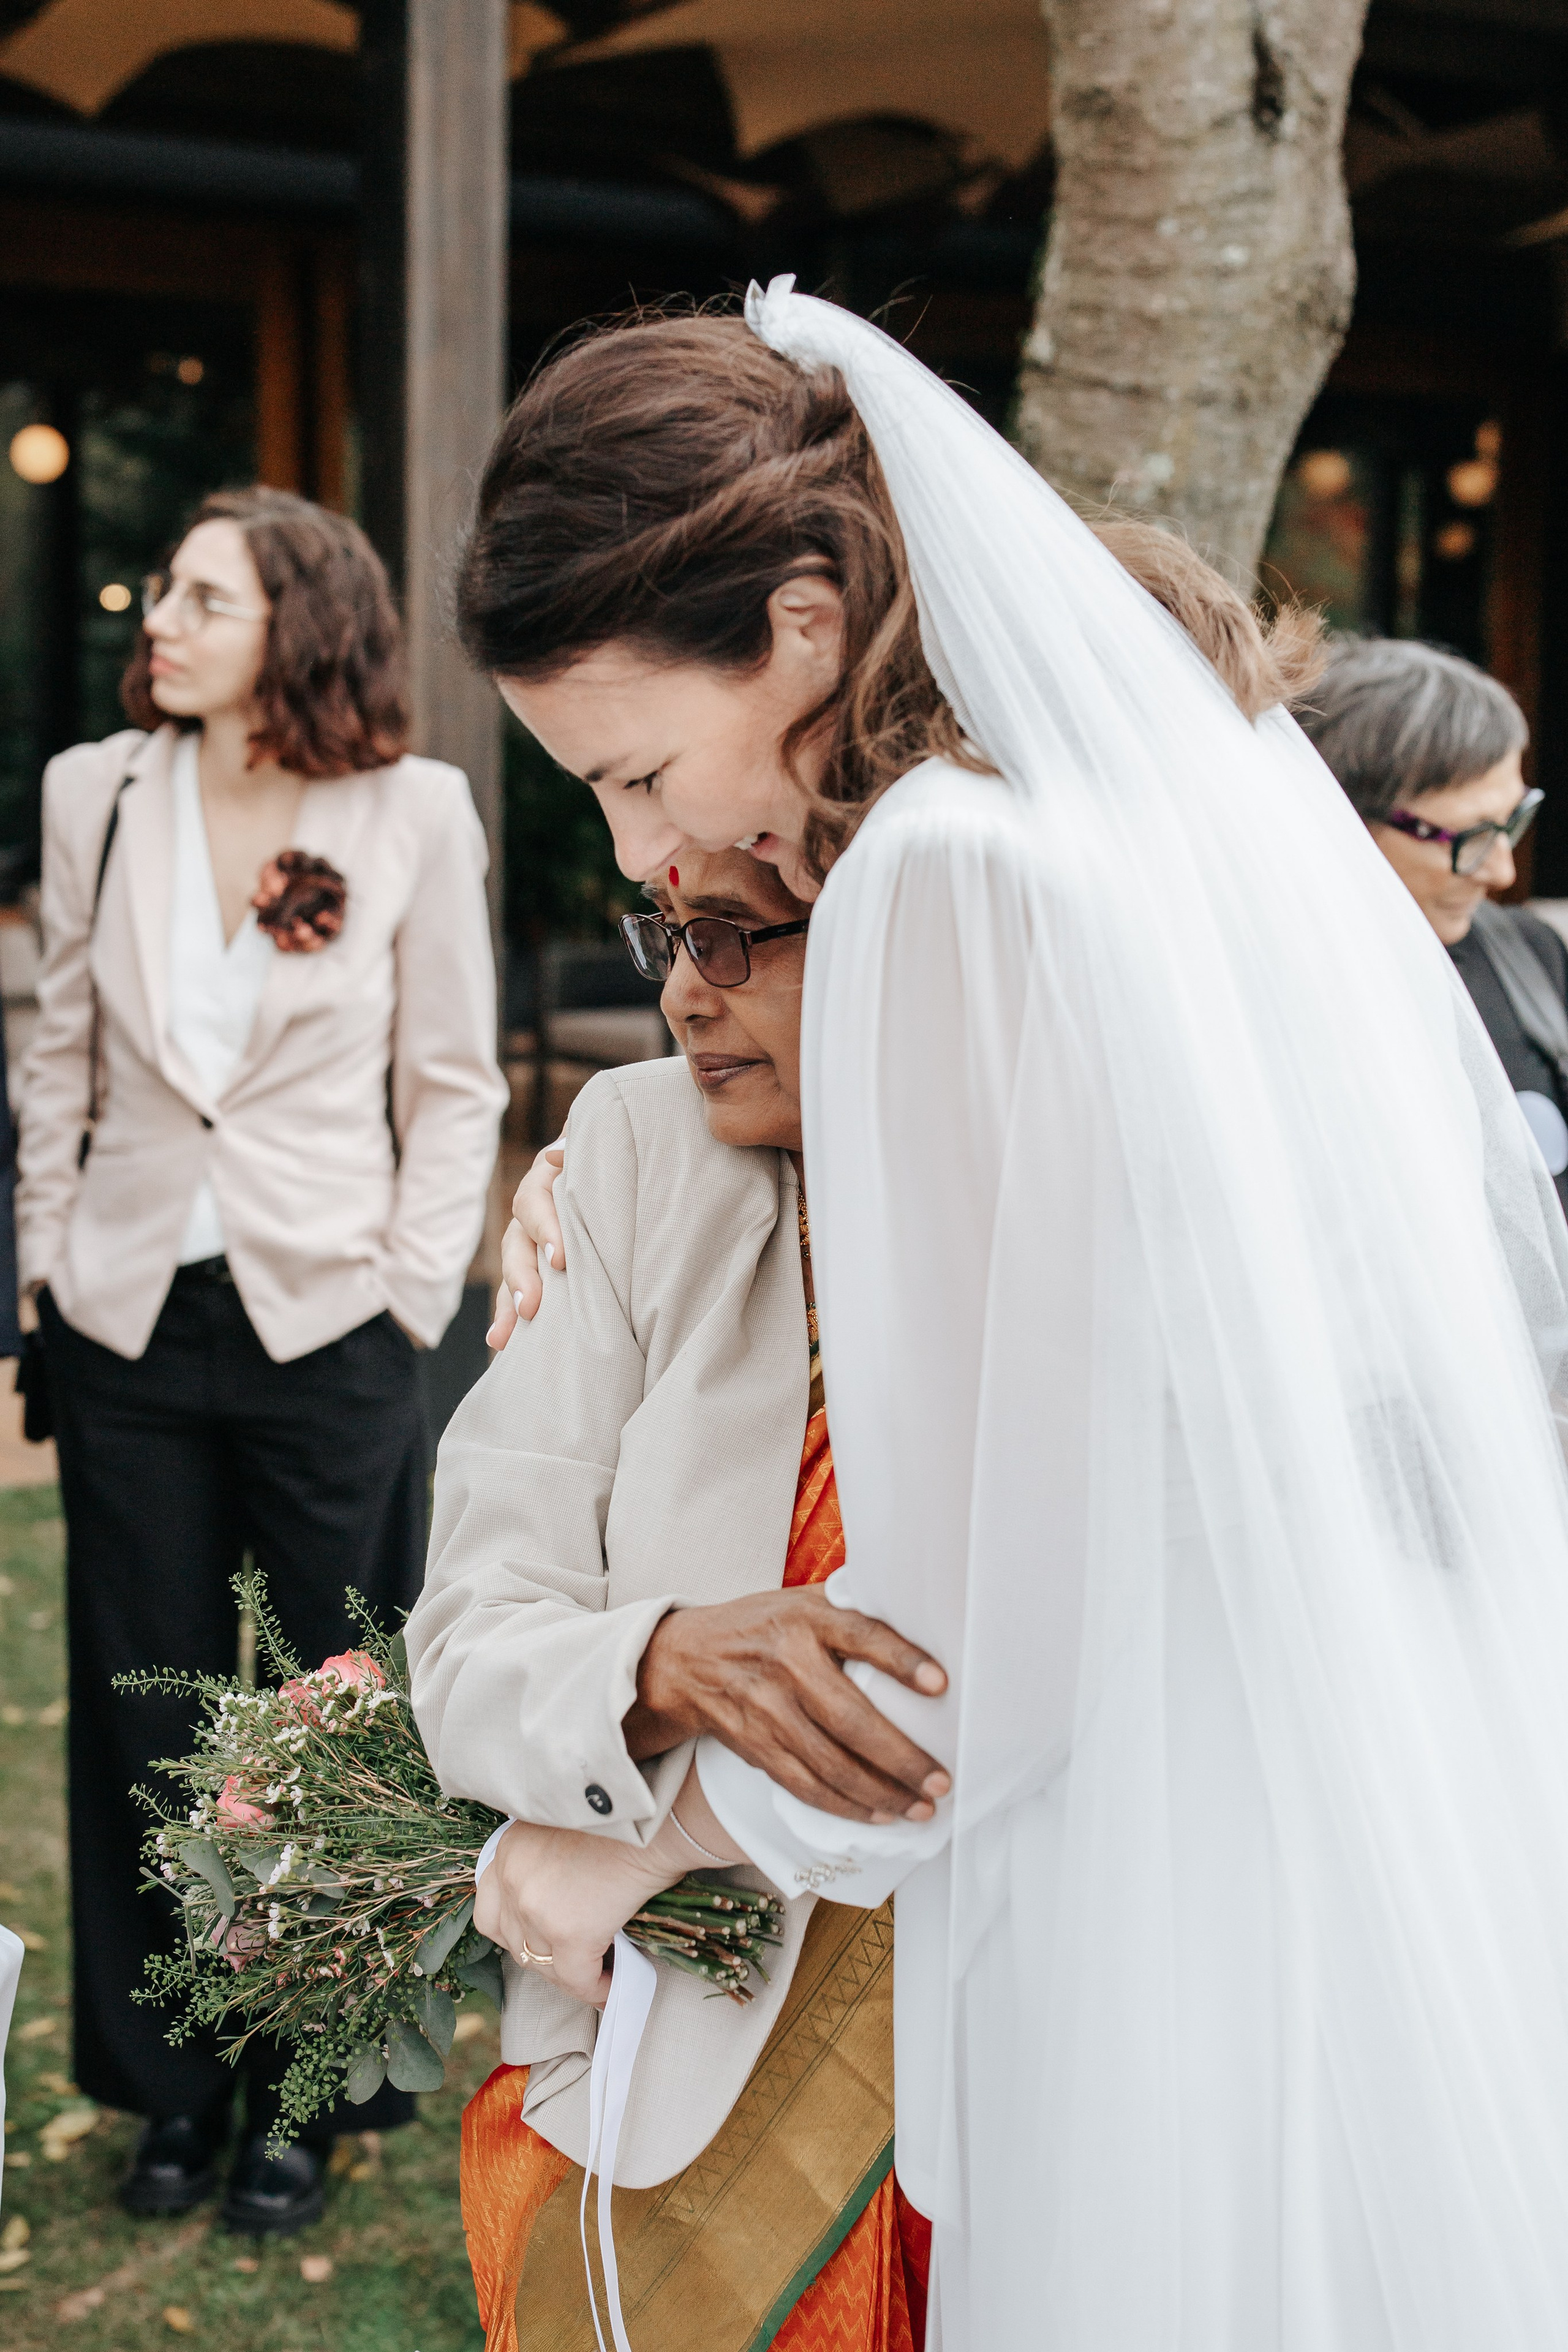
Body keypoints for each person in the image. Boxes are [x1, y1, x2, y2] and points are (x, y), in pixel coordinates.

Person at [450, 284, 1568, 2350]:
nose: (643, 845)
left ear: (801, 626)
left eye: (638, 769)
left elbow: (983, 1648)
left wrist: (648, 1849)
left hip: (1145, 1867)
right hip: (1309, 1801)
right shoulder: (1112, 824)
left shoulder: (944, 875)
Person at [15, 488, 506, 2234]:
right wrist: (47, 1264)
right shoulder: (98, 790)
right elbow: (58, 1051)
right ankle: (169, 2082)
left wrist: (410, 1294)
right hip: (129, 1317)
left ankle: (313, 2084)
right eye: (163, 590)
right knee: (144, 1710)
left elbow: (453, 1077)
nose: (159, 616)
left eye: (202, 596)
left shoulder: (412, 810)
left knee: (333, 1714)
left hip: (333, 1324)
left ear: (300, 622)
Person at [412, 843, 960, 2348]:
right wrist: (657, 1667)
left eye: (733, 937)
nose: (679, 993)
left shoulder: (1072, 1208)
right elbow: (471, 1631)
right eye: (667, 935)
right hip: (669, 2045)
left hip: (1023, 2038)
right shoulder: (635, 1150)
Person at [1297, 637, 1568, 1206]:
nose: (1502, 872)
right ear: (1341, 817)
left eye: (1513, 820)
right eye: (1472, 837)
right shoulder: (1282, 1000)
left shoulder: (1529, 954)